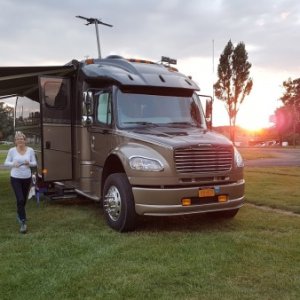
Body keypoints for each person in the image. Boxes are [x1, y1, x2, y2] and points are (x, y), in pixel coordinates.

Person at [4, 131, 37, 234]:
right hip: (15, 178)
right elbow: (6, 163)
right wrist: (13, 164)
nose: (20, 141)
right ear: (15, 141)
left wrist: (29, 163)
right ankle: (23, 222)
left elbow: (35, 163)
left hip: (27, 178)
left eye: (21, 139)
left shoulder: (30, 150)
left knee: (23, 200)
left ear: (25, 140)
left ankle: (20, 212)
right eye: (18, 139)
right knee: (20, 198)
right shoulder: (12, 151)